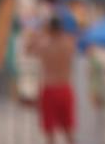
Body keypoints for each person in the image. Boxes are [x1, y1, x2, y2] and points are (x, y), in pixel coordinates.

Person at [26, 16, 77, 144]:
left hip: (49, 88)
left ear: (49, 28)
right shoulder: (69, 43)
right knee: (69, 131)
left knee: (50, 134)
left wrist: (40, 33)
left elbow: (28, 49)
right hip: (65, 88)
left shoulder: (45, 45)